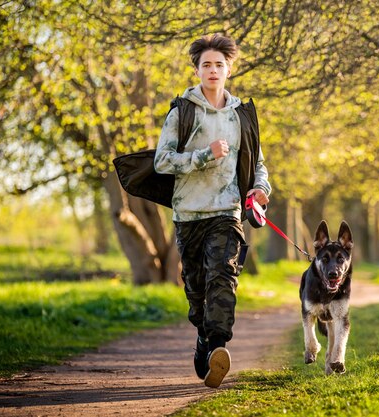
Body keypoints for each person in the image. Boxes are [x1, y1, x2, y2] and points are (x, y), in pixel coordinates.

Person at [154, 34, 271, 388]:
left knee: (223, 279)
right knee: (197, 292)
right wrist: (205, 155)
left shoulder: (241, 116)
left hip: (227, 211)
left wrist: (260, 189)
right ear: (197, 70)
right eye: (206, 64)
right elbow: (162, 161)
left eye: (219, 64)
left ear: (229, 70)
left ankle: (218, 347)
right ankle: (204, 338)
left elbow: (259, 164)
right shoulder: (182, 112)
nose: (213, 70)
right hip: (189, 214)